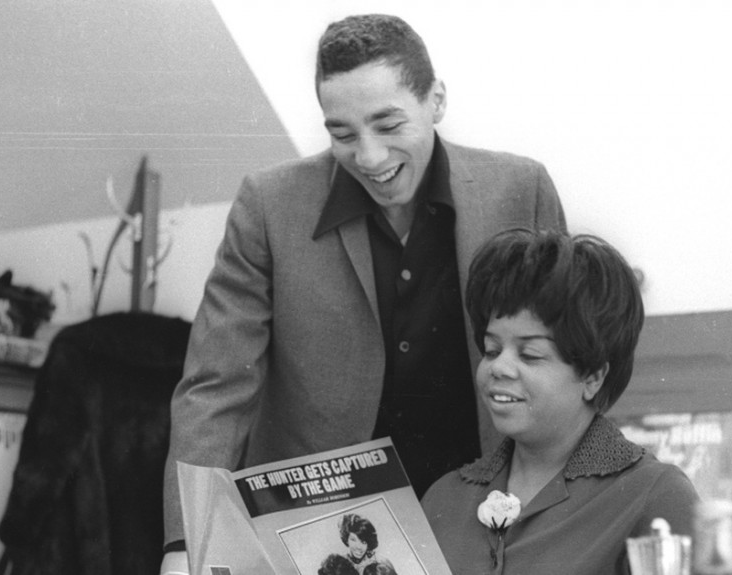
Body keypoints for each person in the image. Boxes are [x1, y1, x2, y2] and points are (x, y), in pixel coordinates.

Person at [161, 13, 565, 571]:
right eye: (342, 134)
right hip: (320, 537)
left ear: (436, 101)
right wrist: (187, 546)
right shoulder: (268, 205)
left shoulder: (522, 192)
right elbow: (215, 389)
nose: (370, 158)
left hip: (486, 523)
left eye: (388, 124)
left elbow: (565, 368)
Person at [421, 230, 699, 574]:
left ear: (593, 377)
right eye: (492, 349)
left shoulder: (655, 495)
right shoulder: (444, 498)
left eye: (531, 355)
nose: (499, 367)